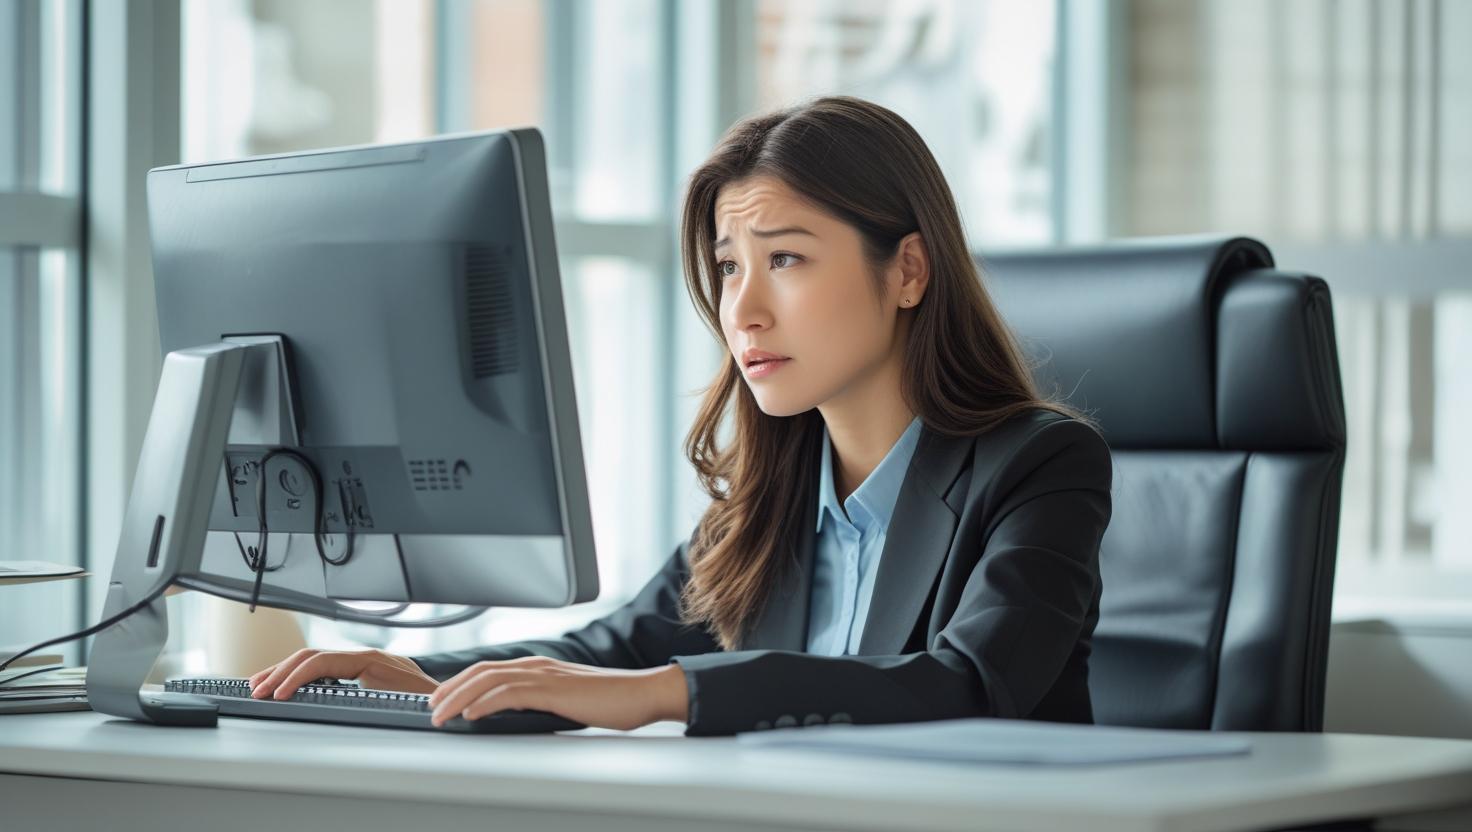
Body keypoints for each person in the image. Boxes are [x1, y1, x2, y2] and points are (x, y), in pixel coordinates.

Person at [246, 95, 1113, 737]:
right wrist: (411, 675)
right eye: (729, 267)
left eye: (785, 258)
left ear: (909, 272)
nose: (744, 310)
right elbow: (609, 649)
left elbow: (968, 683)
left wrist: (672, 690)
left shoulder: (1040, 466)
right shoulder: (771, 501)